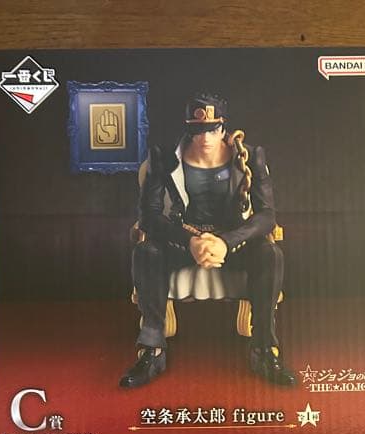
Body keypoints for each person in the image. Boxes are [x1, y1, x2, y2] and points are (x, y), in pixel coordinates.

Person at [121, 90, 297, 389]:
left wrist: (226, 241)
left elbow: (267, 215)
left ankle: (264, 349)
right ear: (188, 128)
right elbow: (149, 215)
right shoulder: (163, 157)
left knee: (270, 253)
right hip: (182, 240)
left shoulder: (250, 156)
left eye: (212, 130)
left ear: (223, 127)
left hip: (232, 242)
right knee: (146, 251)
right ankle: (152, 350)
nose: (205, 138)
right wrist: (189, 241)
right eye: (198, 130)